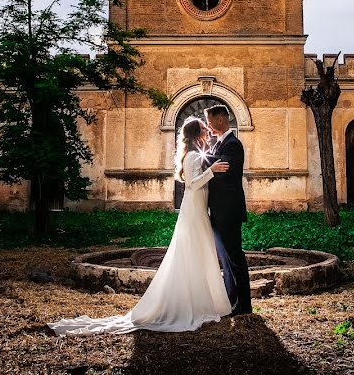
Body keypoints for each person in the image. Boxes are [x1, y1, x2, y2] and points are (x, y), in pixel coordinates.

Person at [46, 117, 232, 335]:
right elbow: (191, 184)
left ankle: (204, 301)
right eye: (203, 129)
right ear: (195, 134)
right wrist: (213, 171)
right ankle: (190, 303)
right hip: (193, 209)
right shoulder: (191, 156)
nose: (206, 132)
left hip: (200, 208)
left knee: (201, 251)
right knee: (192, 251)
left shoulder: (198, 154)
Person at [203, 104, 252, 315]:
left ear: (221, 120)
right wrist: (210, 165)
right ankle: (231, 299)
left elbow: (223, 172)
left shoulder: (234, 145)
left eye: (209, 120)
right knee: (225, 259)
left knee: (235, 257)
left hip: (229, 212)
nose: (208, 125)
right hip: (217, 211)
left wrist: (200, 162)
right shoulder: (217, 146)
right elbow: (214, 166)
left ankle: (244, 304)